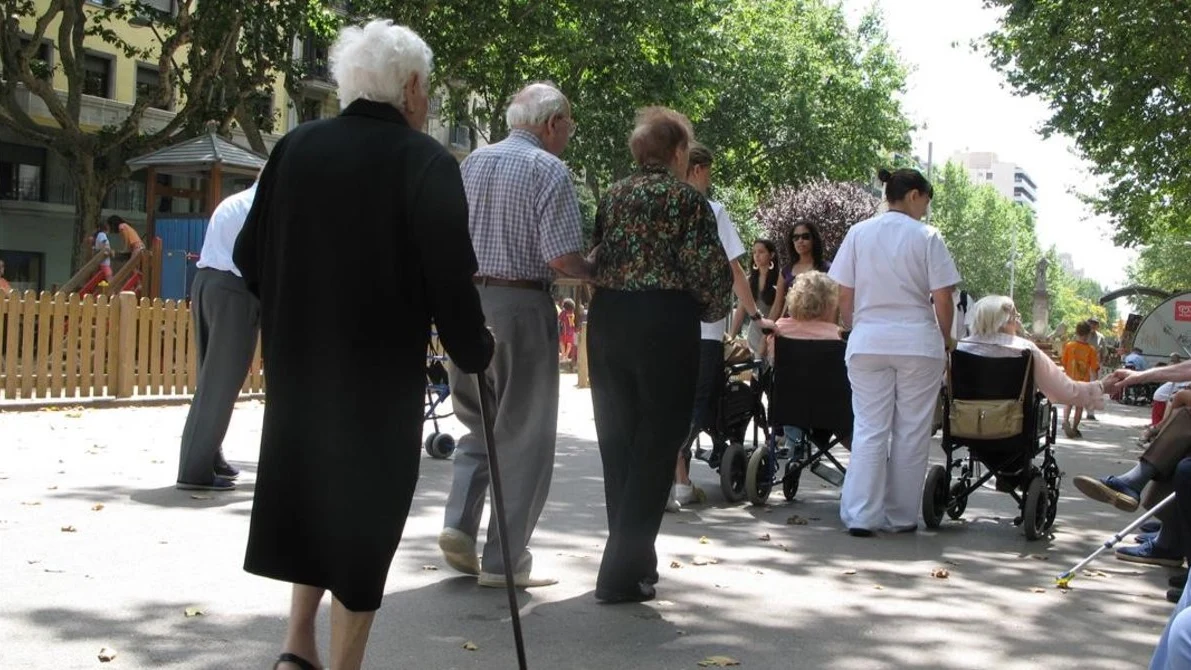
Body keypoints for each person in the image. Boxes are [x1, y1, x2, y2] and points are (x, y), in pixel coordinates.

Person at [232, 20, 494, 670]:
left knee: (312, 498)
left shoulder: (295, 147)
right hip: (378, 379)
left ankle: (297, 648)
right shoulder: (426, 161)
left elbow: (246, 256)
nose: (428, 101)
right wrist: (476, 349)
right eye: (426, 88)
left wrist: (298, 304)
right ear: (408, 87)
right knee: (362, 521)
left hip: (299, 367)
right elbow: (450, 281)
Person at [438, 81, 590, 590]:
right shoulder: (549, 169)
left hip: (465, 301)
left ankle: (458, 524)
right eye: (568, 125)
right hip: (522, 306)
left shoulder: (472, 163)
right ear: (551, 124)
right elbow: (561, 258)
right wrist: (598, 268)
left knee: (478, 419)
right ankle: (505, 561)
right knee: (523, 435)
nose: (568, 135)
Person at [588, 106, 731, 602]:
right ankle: (619, 573)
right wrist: (714, 308)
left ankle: (635, 563)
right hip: (664, 324)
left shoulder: (613, 194)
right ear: (676, 153)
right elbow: (711, 278)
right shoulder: (686, 201)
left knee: (619, 444)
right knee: (656, 444)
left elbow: (600, 252)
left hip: (608, 321)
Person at [828, 167, 961, 537]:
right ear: (915, 195)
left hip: (868, 340)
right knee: (911, 431)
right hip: (917, 342)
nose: (925, 211)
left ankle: (860, 514)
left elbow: (844, 294)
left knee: (870, 428)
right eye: (925, 202)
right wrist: (946, 340)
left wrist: (857, 326)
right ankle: (901, 515)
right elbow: (942, 299)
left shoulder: (858, 233)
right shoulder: (928, 236)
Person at [667, 141, 766, 512]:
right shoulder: (711, 210)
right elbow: (735, 269)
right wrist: (756, 316)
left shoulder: (661, 204)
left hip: (663, 323)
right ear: (696, 169)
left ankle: (679, 480)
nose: (710, 180)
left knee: (669, 401)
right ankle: (674, 478)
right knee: (696, 403)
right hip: (704, 327)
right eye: (708, 172)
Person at [175, 178, 262, 491]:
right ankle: (194, 470)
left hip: (207, 282)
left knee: (211, 377)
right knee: (222, 381)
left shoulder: (238, 201)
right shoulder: (263, 206)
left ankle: (210, 455)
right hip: (233, 289)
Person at [768, 220, 832, 322]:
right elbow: (777, 306)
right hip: (788, 329)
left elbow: (832, 306)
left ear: (814, 239)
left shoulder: (826, 269)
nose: (800, 241)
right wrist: (765, 334)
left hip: (816, 328)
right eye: (796, 238)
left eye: (805, 236)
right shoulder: (785, 271)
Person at [728, 238, 780, 355]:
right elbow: (740, 312)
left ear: (771, 255)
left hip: (773, 337)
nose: (756, 255)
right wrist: (731, 338)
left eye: (761, 252)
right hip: (753, 337)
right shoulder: (749, 281)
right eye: (754, 252)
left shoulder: (779, 280)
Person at [1060, 321, 1099, 438]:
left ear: (1076, 332)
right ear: (1088, 334)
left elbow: (1064, 362)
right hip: (1083, 383)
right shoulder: (1091, 350)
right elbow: (1094, 369)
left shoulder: (1069, 346)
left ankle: (1065, 420)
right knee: (1079, 406)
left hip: (1069, 380)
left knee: (1068, 403)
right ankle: (1074, 428)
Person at [1086, 317, 1105, 420]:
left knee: (1093, 389)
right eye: (1091, 323)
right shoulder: (1082, 335)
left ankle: (1090, 412)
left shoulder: (1100, 337)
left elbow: (1103, 353)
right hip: (1082, 365)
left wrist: (1100, 365)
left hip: (1094, 367)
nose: (1093, 326)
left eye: (1095, 324)